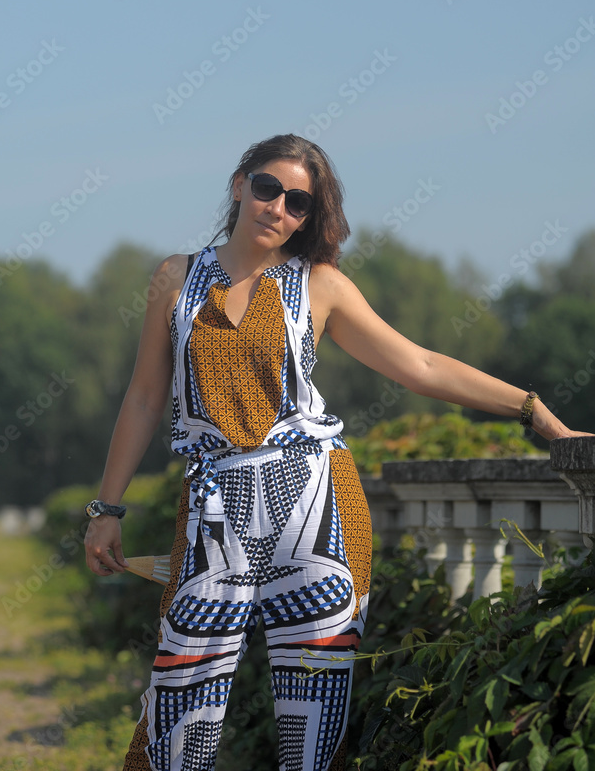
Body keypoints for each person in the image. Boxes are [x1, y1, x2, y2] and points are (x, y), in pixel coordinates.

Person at [84, 133, 590, 771]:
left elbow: (419, 365)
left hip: (318, 510)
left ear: (307, 217)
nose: (278, 207)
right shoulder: (174, 278)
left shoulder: (318, 284)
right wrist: (107, 507)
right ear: (239, 185)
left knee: (314, 723)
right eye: (267, 188)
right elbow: (143, 398)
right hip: (214, 511)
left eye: (297, 202)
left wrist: (536, 412)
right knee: (180, 703)